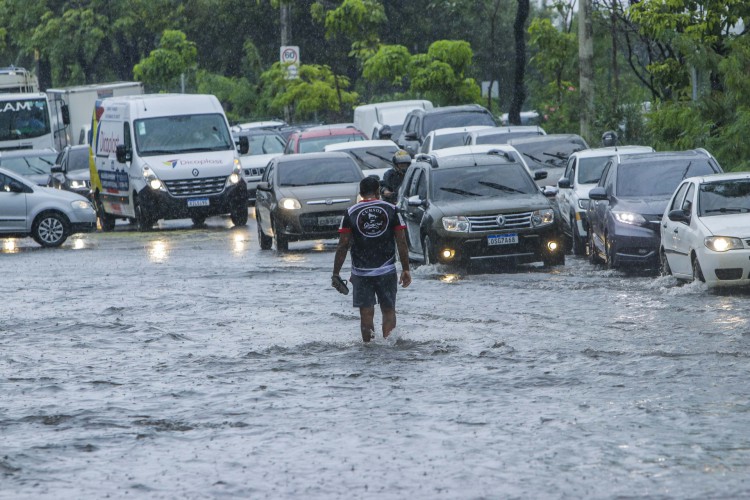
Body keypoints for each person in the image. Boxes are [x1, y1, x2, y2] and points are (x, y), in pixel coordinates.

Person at [332, 175, 412, 342]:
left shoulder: (350, 212)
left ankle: (369, 350)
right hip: (387, 270)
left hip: (361, 273)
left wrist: (336, 273)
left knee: (366, 313)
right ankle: (389, 347)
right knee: (388, 310)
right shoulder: (392, 210)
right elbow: (401, 240)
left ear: (360, 193)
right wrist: (406, 268)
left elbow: (342, 245)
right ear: (378, 192)